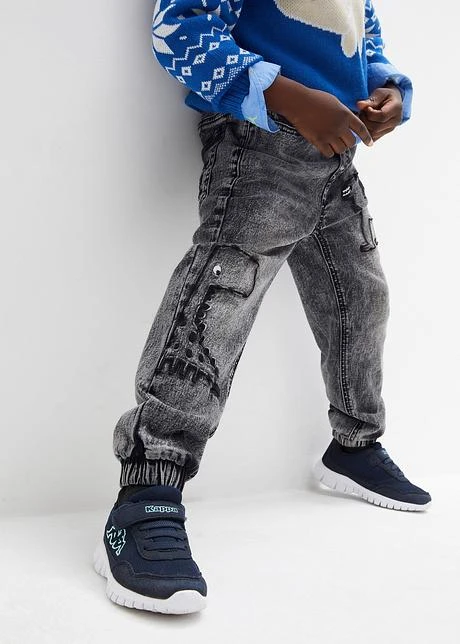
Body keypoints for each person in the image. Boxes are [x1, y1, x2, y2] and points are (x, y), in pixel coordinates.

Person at [93, 0, 431, 615]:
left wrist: (389, 90)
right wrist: (288, 96)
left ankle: (354, 446)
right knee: (220, 301)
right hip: (262, 145)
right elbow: (180, 29)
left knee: (362, 296)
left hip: (336, 156)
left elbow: (361, 36)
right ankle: (147, 492)